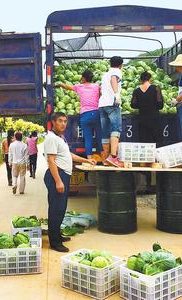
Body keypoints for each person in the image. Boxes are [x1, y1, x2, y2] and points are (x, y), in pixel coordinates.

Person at [44, 112, 96, 252]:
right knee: (55, 210)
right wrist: (58, 181)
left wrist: (86, 160)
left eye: (65, 121)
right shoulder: (51, 138)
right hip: (57, 176)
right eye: (60, 121)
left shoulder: (60, 137)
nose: (63, 124)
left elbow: (69, 155)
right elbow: (51, 161)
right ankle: (55, 243)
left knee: (61, 209)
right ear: (53, 122)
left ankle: (57, 236)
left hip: (62, 175)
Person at [56, 70, 103, 159]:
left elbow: (67, 87)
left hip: (85, 115)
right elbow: (101, 95)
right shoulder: (97, 86)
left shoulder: (79, 87)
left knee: (88, 138)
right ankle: (103, 157)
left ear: (84, 78)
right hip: (96, 113)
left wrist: (60, 84)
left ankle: (89, 159)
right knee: (99, 137)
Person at [99, 56, 124, 167]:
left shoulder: (104, 74)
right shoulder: (116, 71)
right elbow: (113, 79)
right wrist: (116, 94)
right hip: (112, 104)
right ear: (121, 65)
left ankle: (105, 159)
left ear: (109, 64)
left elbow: (101, 89)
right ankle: (113, 157)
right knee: (115, 129)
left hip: (102, 105)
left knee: (105, 132)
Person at [131, 71, 164, 143]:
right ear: (150, 79)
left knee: (144, 140)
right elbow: (160, 104)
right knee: (156, 140)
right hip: (154, 118)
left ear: (141, 80)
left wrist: (142, 105)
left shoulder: (136, 91)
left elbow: (133, 105)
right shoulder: (156, 88)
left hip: (142, 119)